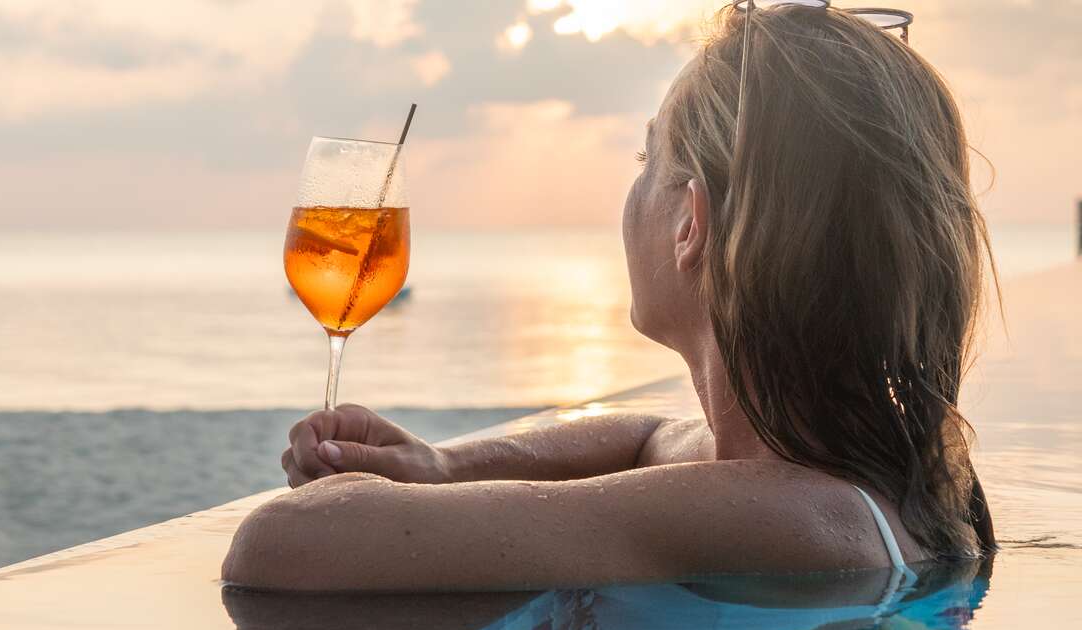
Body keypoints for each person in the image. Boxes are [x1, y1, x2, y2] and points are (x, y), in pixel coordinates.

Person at [223, 4, 997, 592]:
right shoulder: (834, 468)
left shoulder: (783, 516)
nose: (631, 191)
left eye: (644, 159)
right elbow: (647, 439)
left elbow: (283, 542)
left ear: (691, 223)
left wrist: (369, 497)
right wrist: (441, 465)